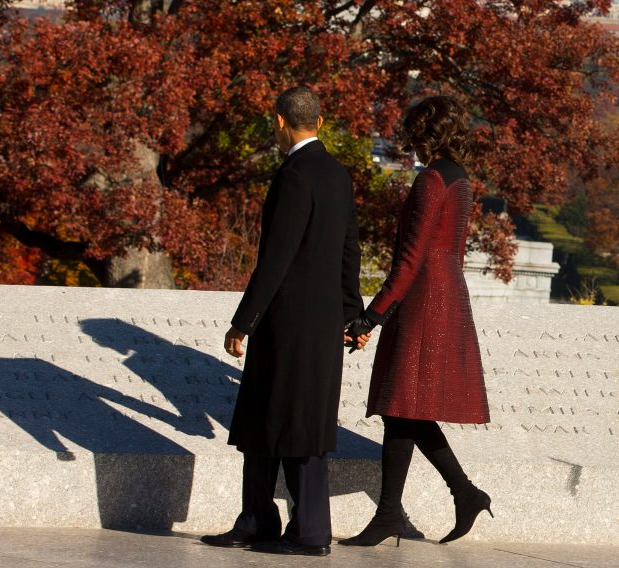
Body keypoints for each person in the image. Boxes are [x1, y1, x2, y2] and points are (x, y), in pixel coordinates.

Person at [200, 86, 368, 556]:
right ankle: (257, 520)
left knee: (290, 423)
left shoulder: (294, 174)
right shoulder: (337, 174)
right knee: (274, 420)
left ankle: (309, 531)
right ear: (320, 119)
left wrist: (242, 322)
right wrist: (352, 314)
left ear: (279, 122)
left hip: (286, 323)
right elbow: (349, 251)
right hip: (322, 322)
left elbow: (275, 258)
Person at [341, 95, 492, 547]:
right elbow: (447, 250)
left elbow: (411, 257)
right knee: (404, 409)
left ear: (424, 131)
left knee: (401, 405)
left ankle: (437, 500)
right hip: (445, 293)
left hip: (424, 298)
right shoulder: (459, 178)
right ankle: (439, 500)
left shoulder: (431, 180)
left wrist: (372, 315)